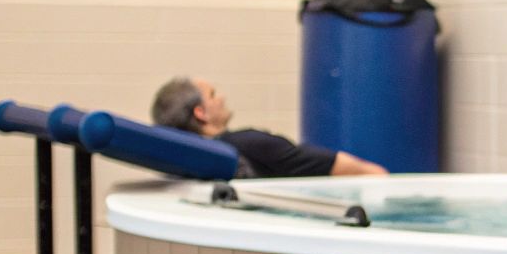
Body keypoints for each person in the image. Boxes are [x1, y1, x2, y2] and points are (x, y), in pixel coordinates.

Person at [149, 77, 388, 178]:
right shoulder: (249, 144)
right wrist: (379, 175)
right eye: (212, 95)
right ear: (200, 113)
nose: (221, 98)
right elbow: (340, 166)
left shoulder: (179, 168)